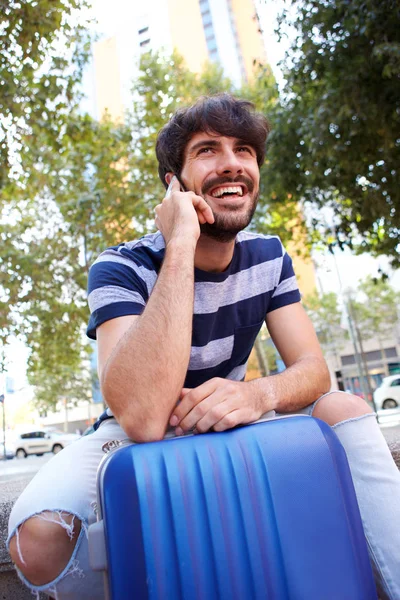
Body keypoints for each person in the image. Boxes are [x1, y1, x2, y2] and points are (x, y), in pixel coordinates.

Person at [7, 94, 400, 599]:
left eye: (245, 150)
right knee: (37, 542)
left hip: (232, 415)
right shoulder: (119, 268)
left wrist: (259, 396)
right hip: (130, 433)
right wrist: (181, 245)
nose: (233, 162)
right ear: (174, 182)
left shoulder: (270, 256)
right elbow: (143, 418)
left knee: (344, 405)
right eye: (208, 150)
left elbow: (313, 370)